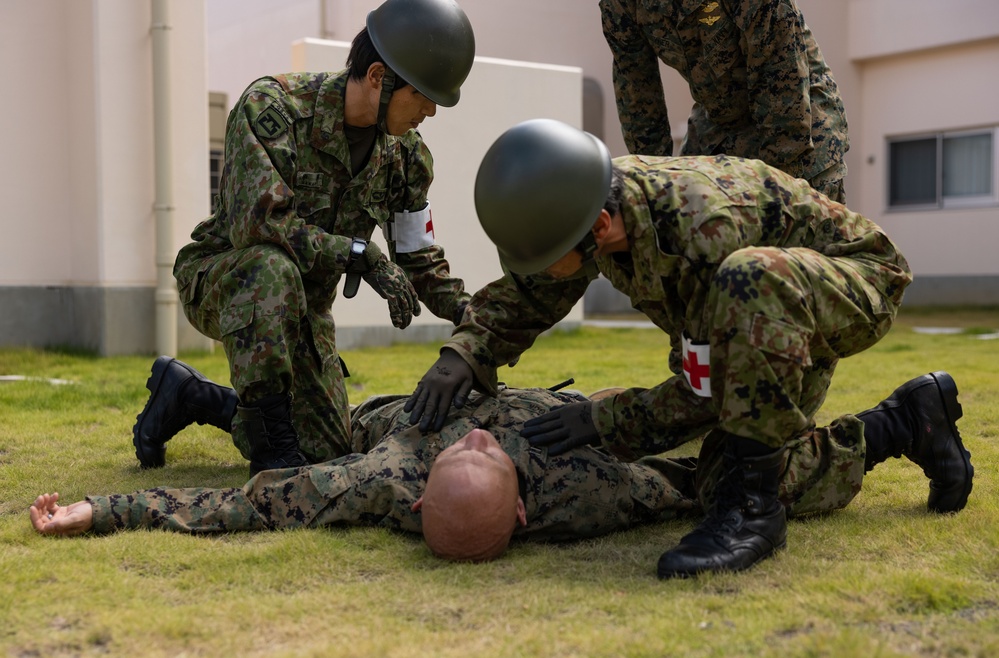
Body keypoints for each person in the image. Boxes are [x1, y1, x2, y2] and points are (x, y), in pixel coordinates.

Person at [403, 119, 973, 577]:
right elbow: (533, 290)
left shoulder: (701, 231)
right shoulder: (591, 201)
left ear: (599, 227)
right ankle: (906, 422)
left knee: (750, 297)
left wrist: (606, 420)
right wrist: (466, 352)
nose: (543, 272)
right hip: (770, 308)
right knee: (718, 472)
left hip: (849, 283)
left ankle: (755, 514)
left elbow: (710, 390)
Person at [30, 377, 967, 565]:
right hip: (492, 425)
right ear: (521, 518)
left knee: (319, 436)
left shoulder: (383, 475)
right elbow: (702, 481)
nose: (475, 443)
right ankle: (896, 422)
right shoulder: (580, 495)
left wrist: (96, 510)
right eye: (477, 457)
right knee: (732, 470)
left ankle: (199, 397)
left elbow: (241, 508)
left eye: (467, 453)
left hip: (408, 412)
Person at [147, 0, 476, 478]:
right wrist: (358, 253)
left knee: (326, 450)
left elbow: (418, 256)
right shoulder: (272, 108)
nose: (430, 111)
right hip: (228, 281)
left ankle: (189, 395)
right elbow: (259, 225)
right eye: (423, 96)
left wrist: (474, 317)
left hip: (303, 310)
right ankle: (272, 452)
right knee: (271, 269)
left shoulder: (406, 158)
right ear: (380, 77)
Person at [600, 0, 849, 202]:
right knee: (682, 222)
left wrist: (773, 189)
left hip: (798, 120)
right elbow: (638, 95)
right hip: (718, 121)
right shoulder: (621, 5)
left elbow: (782, 76)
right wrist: (649, 187)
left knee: (791, 241)